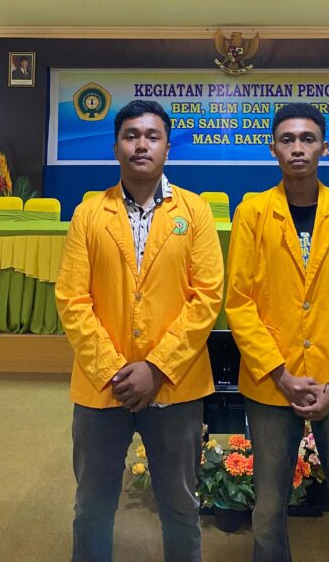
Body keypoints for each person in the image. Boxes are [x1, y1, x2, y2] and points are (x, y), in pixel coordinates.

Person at [55, 99, 224, 562]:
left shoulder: (196, 212)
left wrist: (156, 367)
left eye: (152, 136)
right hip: (101, 387)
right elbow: (72, 299)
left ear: (168, 147)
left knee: (181, 509)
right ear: (116, 148)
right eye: (131, 136)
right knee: (91, 508)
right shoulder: (89, 213)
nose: (141, 145)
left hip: (175, 385)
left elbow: (207, 297)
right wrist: (114, 369)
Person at [226, 102, 329, 562]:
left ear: (324, 147)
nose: (298, 148)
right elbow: (239, 303)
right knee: (268, 508)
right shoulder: (252, 212)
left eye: (307, 139)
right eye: (288, 139)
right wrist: (280, 373)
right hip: (273, 384)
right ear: (272, 148)